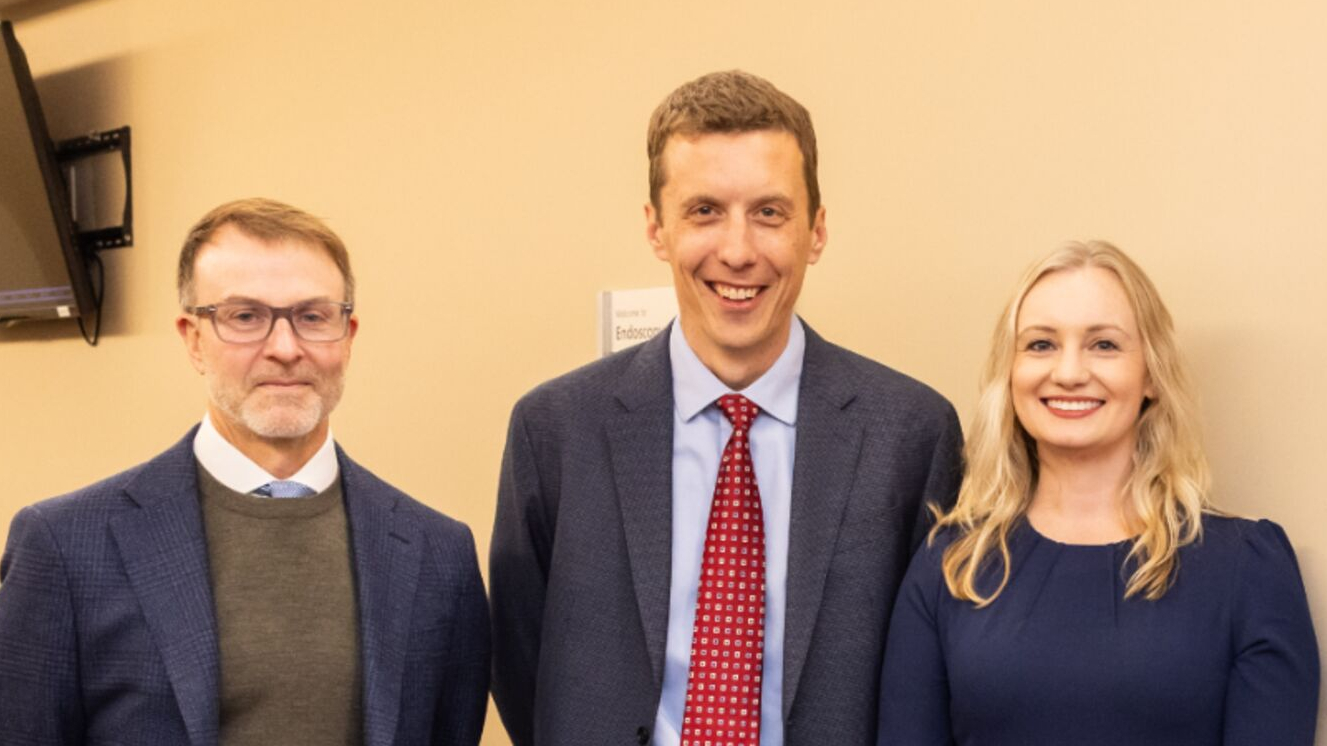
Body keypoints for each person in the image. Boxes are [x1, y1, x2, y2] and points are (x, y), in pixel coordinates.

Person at [489, 70, 963, 746]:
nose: (737, 252)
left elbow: (929, 677)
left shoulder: (911, 433)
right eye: (704, 211)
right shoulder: (555, 431)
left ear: (816, 231)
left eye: (769, 212)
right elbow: (521, 662)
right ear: (656, 229)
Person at [0, 198, 490, 745]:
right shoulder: (65, 548)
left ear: (348, 337)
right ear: (193, 339)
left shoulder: (438, 555)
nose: (284, 348)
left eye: (312, 316)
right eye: (245, 317)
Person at [878, 241, 1320, 745]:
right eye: (1040, 344)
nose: (1068, 373)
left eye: (1103, 345)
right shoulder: (950, 566)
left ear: (1151, 373)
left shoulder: (1248, 570)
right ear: (1011, 372)